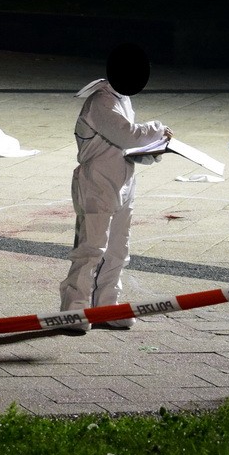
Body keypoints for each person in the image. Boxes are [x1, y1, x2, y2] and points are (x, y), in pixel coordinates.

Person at [59, 44, 172, 334]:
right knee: (91, 248)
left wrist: (156, 150)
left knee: (118, 249)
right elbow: (127, 135)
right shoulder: (101, 101)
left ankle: (107, 305)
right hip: (96, 183)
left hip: (122, 182)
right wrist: (158, 129)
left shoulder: (121, 99)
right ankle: (74, 310)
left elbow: (126, 146)